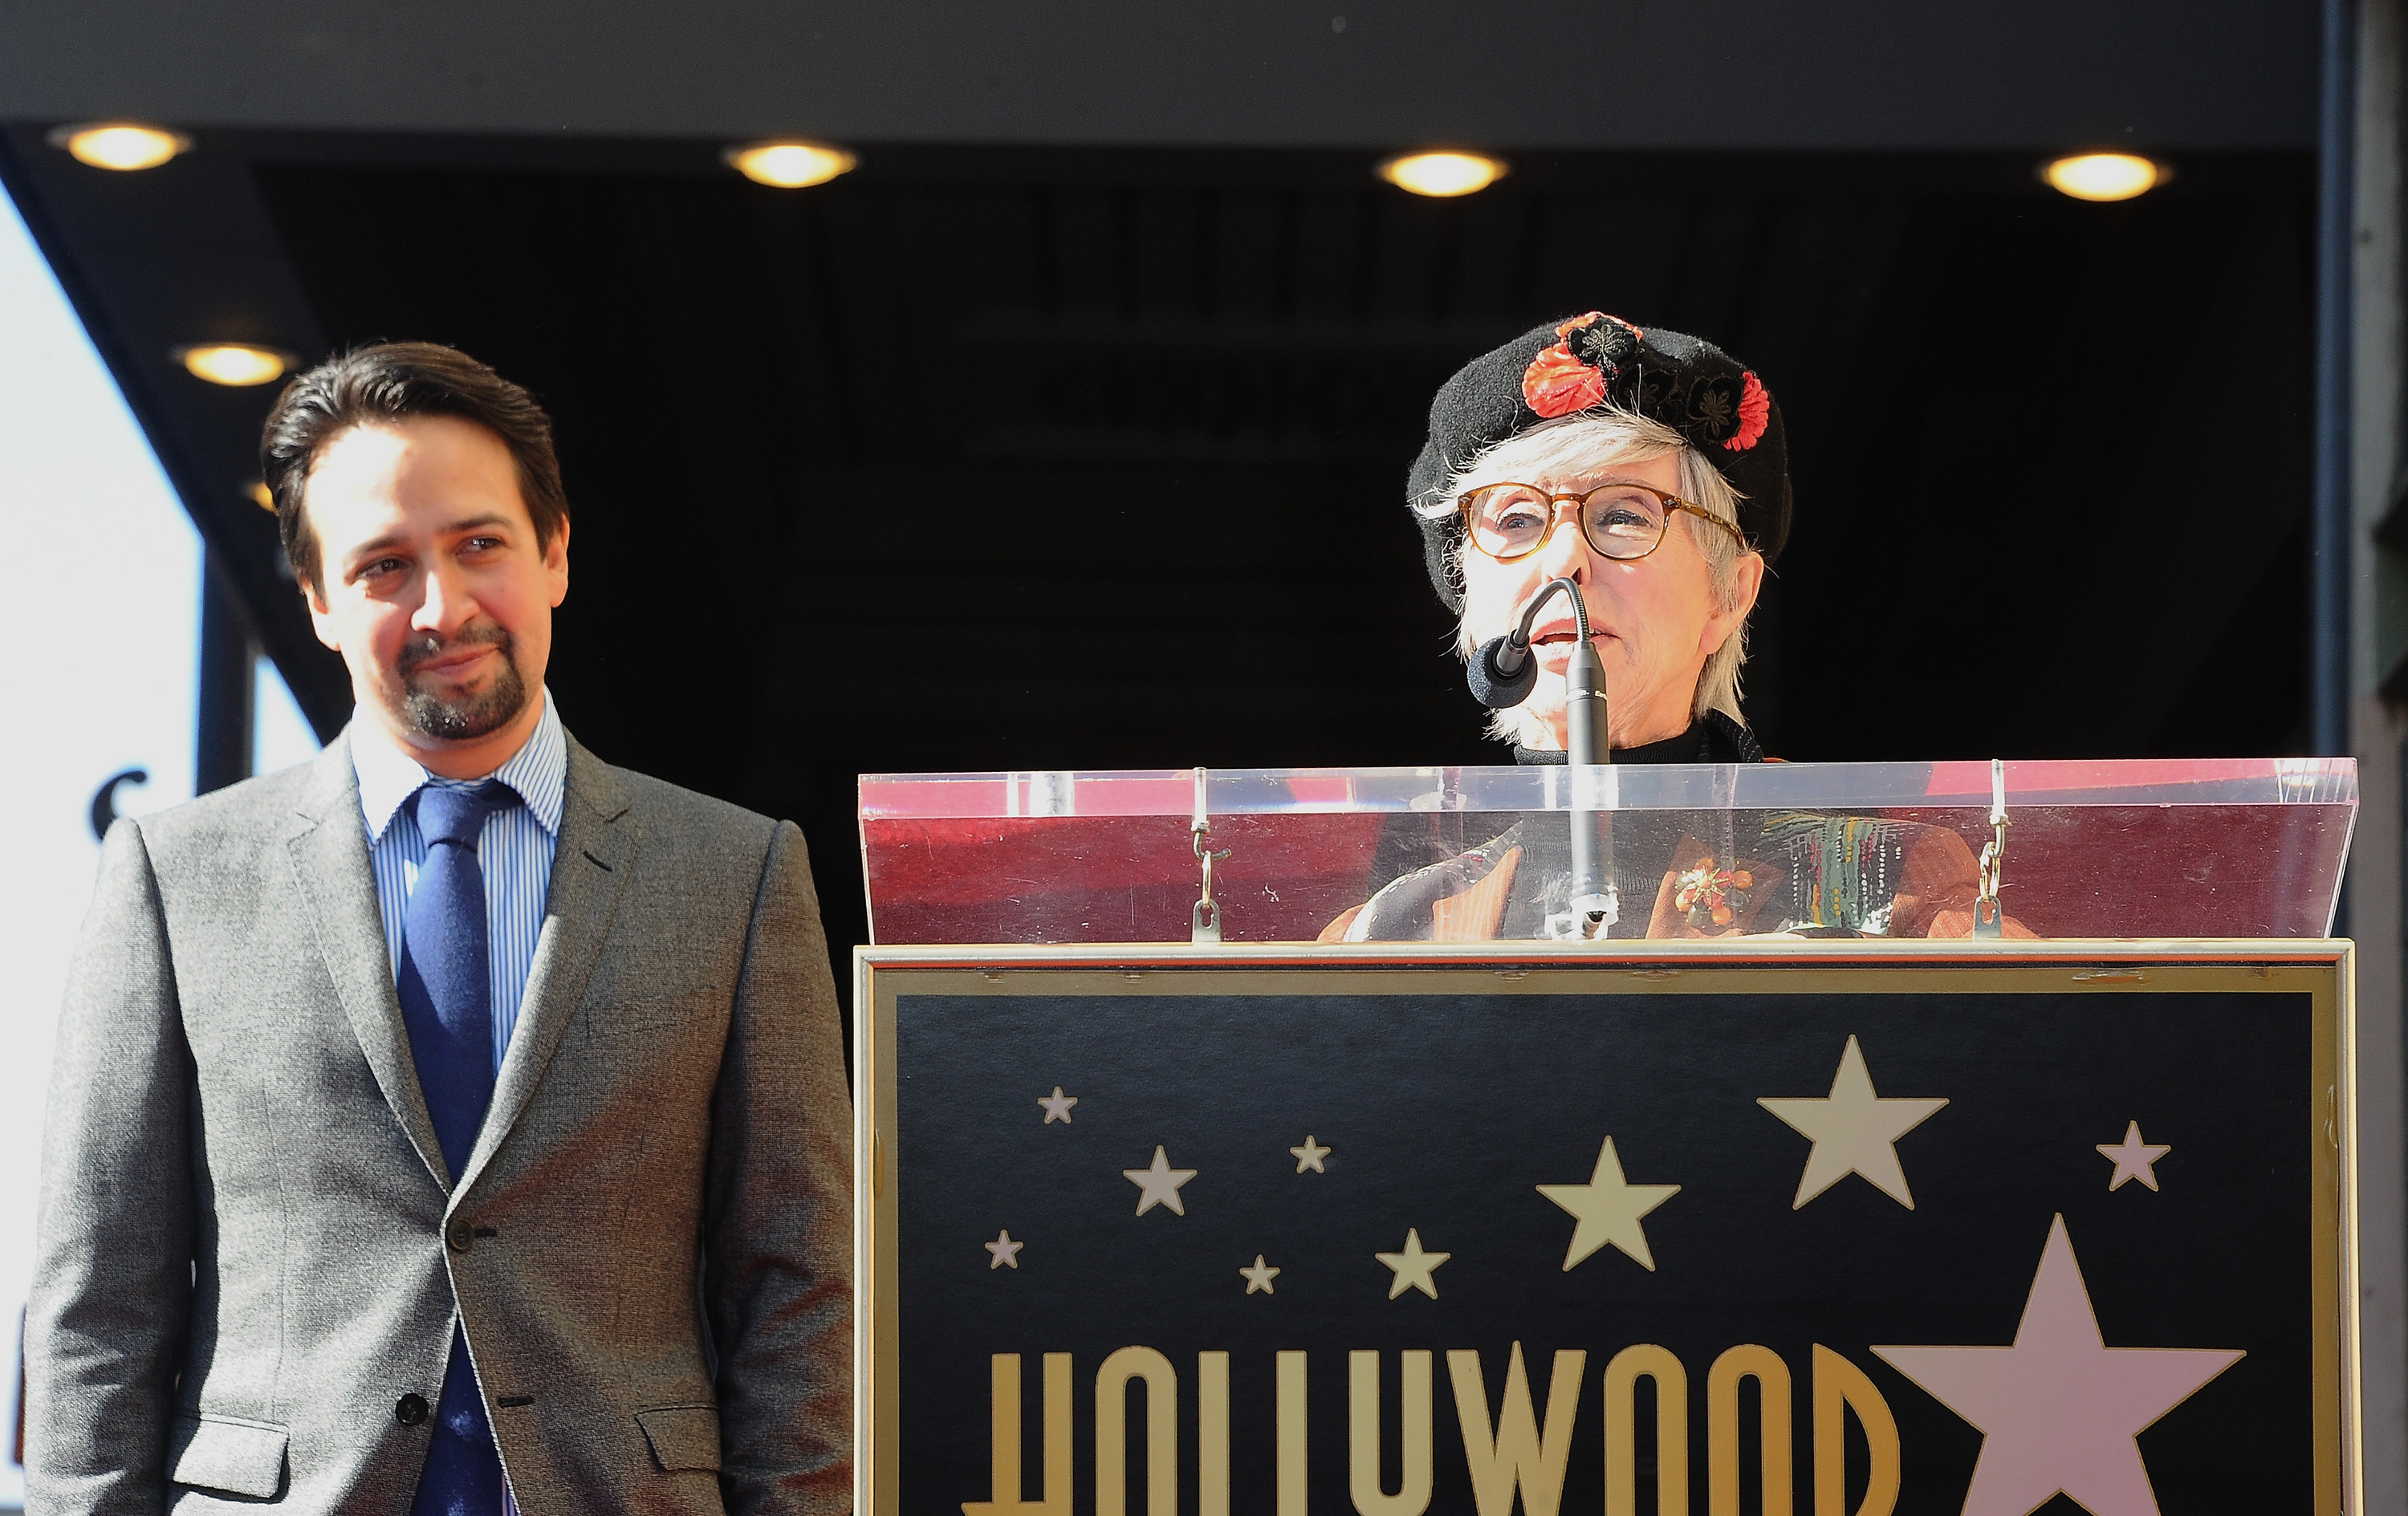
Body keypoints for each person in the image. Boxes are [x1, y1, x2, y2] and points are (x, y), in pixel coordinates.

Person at [27, 343, 852, 1512]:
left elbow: (801, 1286)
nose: (441, 606)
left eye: (479, 545)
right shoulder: (175, 879)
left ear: (555, 551)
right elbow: (98, 1300)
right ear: (315, 602)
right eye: (382, 566)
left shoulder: (737, 874)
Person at [1328, 313, 2010, 941]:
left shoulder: (1888, 882)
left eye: (1625, 514)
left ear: (1729, 595)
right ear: (1470, 596)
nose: (1564, 558)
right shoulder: (1389, 923)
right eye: (1516, 520)